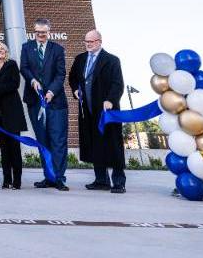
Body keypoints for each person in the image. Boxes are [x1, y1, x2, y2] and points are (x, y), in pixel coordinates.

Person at [68, 30, 127, 194]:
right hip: (87, 111)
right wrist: (75, 90)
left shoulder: (112, 60)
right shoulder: (80, 59)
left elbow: (118, 84)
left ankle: (118, 182)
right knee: (95, 145)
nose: (88, 44)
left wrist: (110, 100)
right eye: (86, 41)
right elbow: (72, 77)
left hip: (107, 111)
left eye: (92, 41)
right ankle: (101, 180)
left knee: (113, 145)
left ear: (99, 41)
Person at [20, 18, 69, 191]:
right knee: (42, 140)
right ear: (34, 31)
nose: (40, 35)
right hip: (35, 101)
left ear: (49, 31)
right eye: (38, 32)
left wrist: (51, 92)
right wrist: (32, 80)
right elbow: (24, 68)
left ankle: (59, 178)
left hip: (55, 103)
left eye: (44, 32)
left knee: (58, 140)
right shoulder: (26, 47)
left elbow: (60, 74)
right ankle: (48, 177)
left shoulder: (57, 49)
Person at [0, 42, 27, 189]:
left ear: (6, 52)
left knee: (14, 148)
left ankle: (17, 181)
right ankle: (6, 180)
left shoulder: (11, 65)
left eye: (2, 49)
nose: (0, 51)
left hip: (12, 111)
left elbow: (15, 84)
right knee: (4, 149)